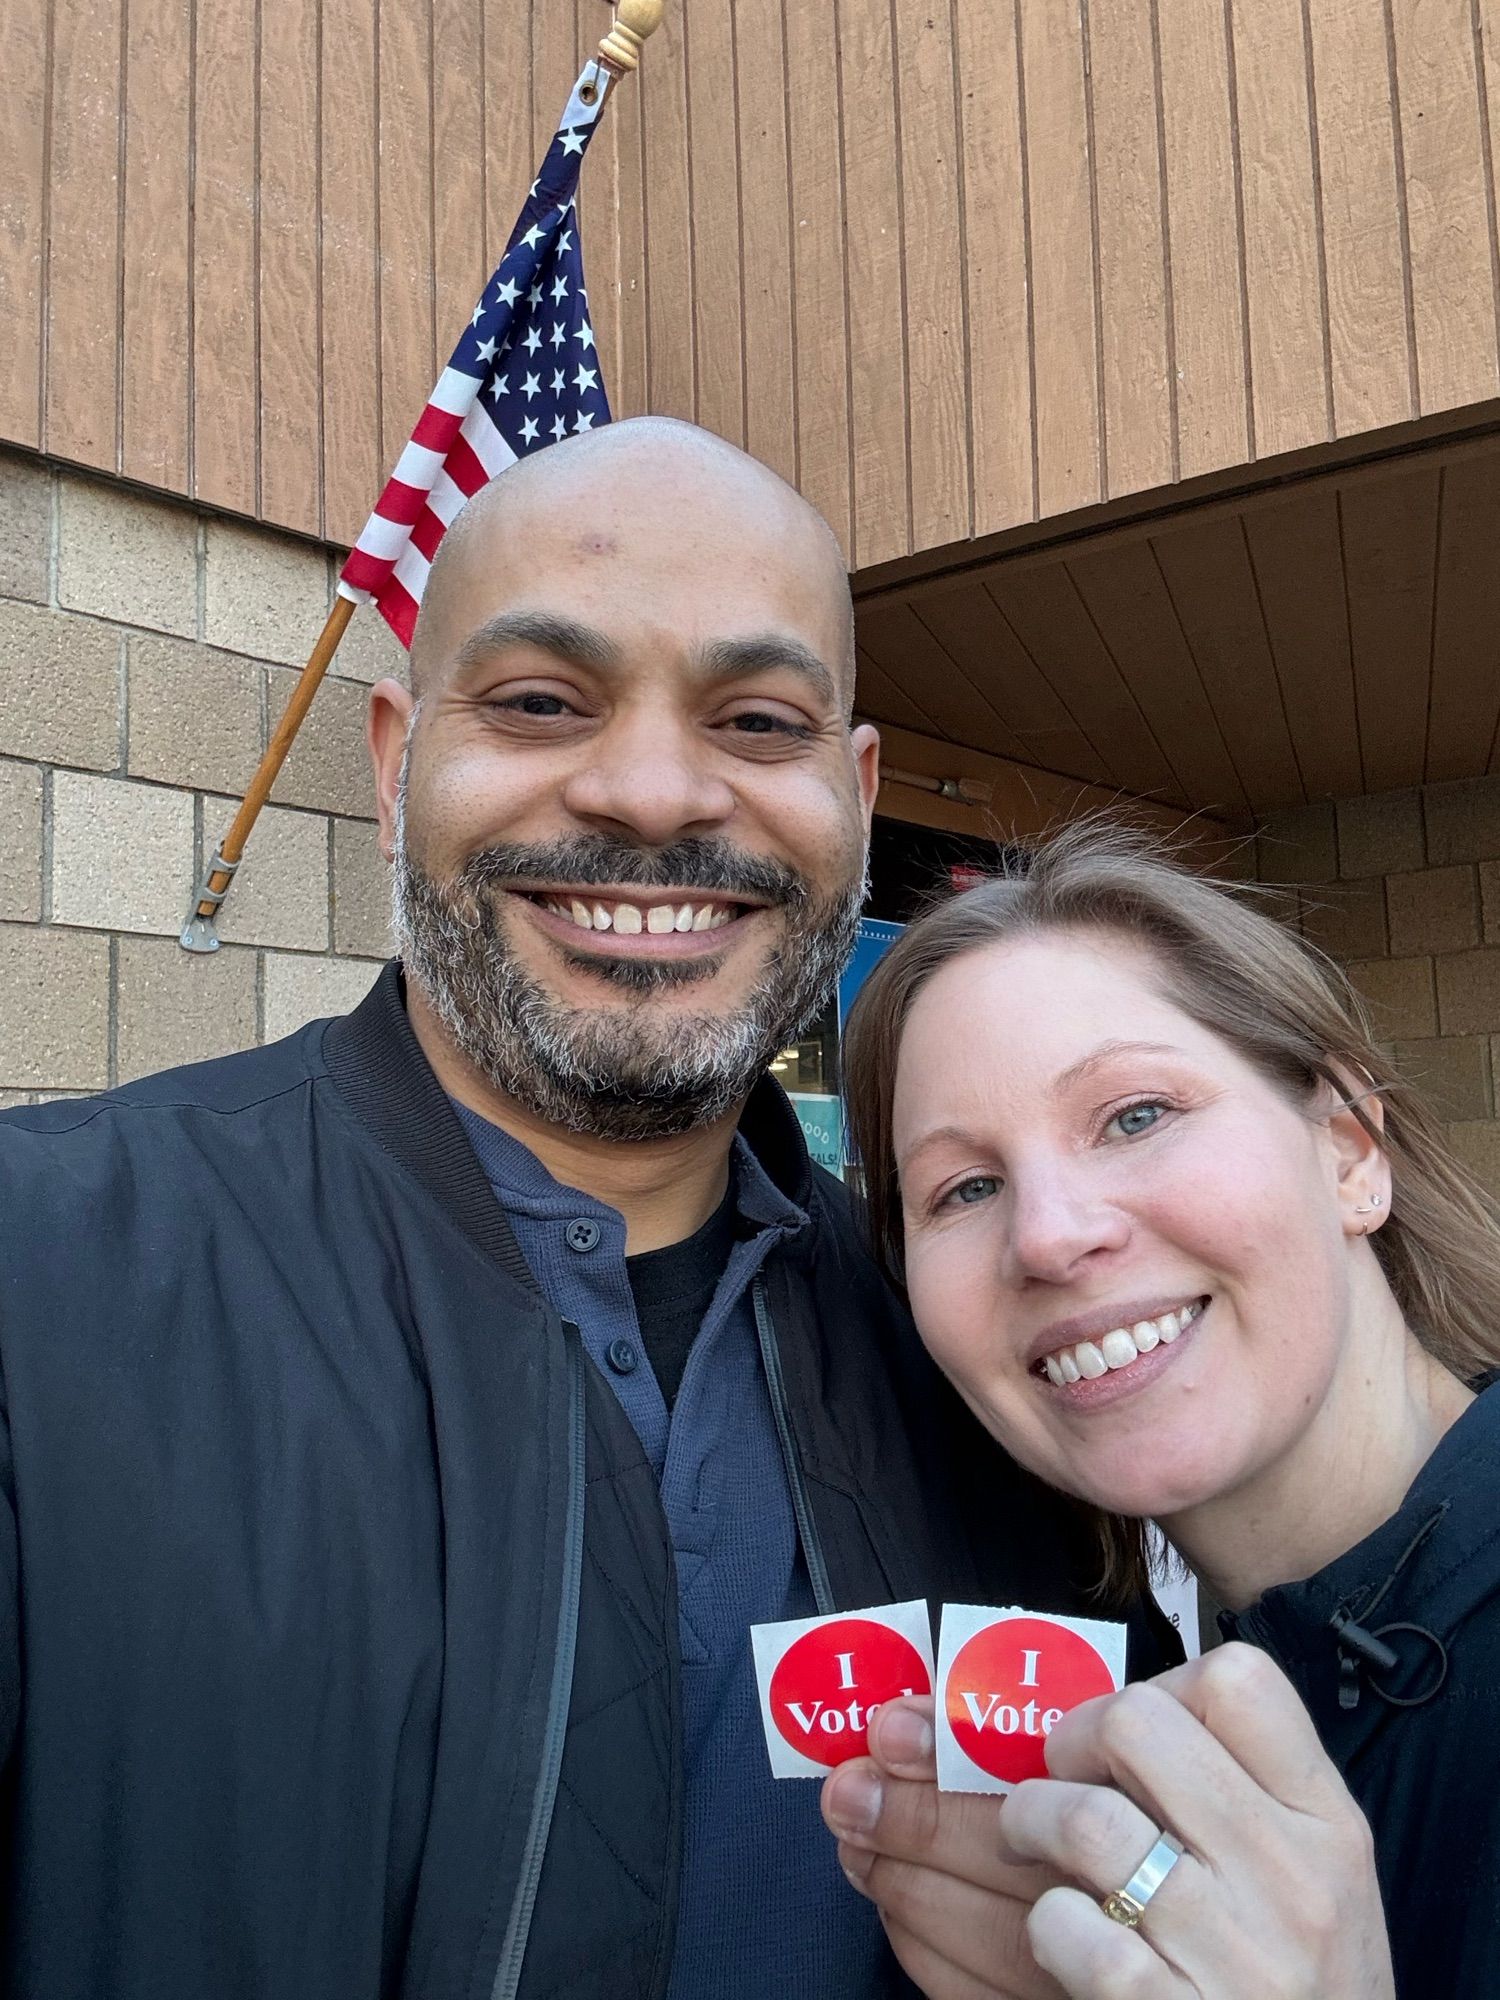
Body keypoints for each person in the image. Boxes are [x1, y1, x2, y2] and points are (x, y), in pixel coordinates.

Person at [0, 422, 1175, 2000]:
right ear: (394, 759)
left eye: (757, 720)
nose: (647, 793)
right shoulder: (41, 1280)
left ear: (857, 784)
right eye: (543, 701)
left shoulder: (991, 1341)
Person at [823, 819, 1500, 1999]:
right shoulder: (1137, 1684)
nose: (1046, 1232)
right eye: (963, 1187)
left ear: (1348, 1150)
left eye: (1136, 1114)